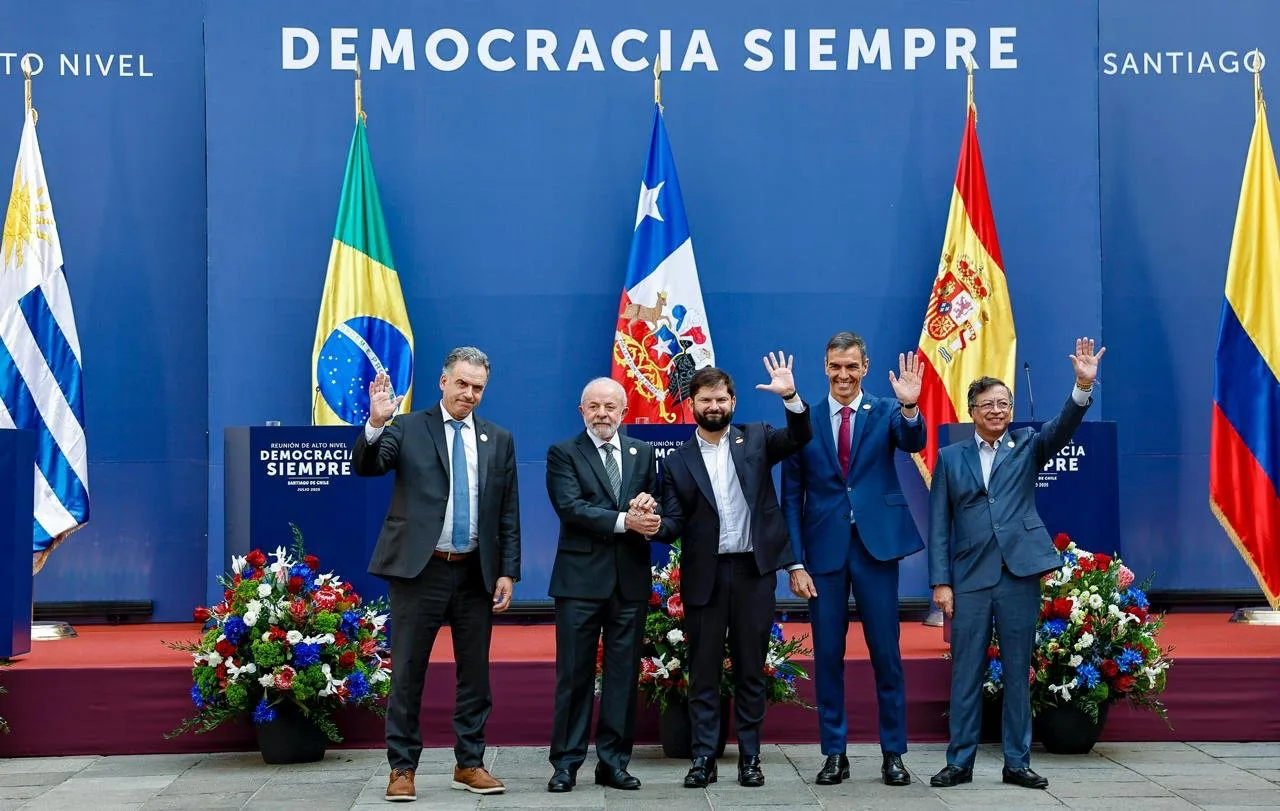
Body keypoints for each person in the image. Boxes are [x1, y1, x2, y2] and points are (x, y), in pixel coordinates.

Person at [928, 337, 1105, 791]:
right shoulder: (950, 459)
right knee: (965, 672)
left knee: (1016, 670)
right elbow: (939, 528)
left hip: (1017, 576)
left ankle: (1016, 761)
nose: (997, 410)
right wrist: (940, 584)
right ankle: (959, 762)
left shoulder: (1028, 445)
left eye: (1003, 403)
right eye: (987, 404)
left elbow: (1063, 425)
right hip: (968, 579)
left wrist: (1082, 386)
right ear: (972, 411)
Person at [351, 347, 520, 802]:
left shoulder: (498, 438)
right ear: (443, 382)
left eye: (478, 387)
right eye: (462, 383)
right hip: (418, 571)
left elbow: (507, 511)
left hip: (474, 573)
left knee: (475, 676)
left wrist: (508, 571)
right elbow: (369, 465)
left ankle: (469, 763)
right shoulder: (406, 427)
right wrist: (376, 422)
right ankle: (402, 768)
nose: (469, 393)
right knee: (407, 672)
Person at [656, 352, 812, 789]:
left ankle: (750, 758)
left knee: (749, 670)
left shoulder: (758, 438)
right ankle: (703, 757)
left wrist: (791, 397)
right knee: (702, 672)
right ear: (692, 404)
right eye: (706, 400)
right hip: (704, 577)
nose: (714, 407)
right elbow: (672, 521)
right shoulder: (676, 461)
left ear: (734, 400)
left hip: (753, 574)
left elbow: (800, 435)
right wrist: (651, 524)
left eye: (721, 399)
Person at [781, 332, 925, 787]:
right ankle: (834, 753)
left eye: (852, 367)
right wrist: (794, 563)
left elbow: (912, 441)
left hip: (875, 548)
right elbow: (790, 496)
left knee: (887, 653)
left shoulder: (885, 409)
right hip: (822, 553)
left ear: (865, 367)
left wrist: (909, 406)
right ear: (824, 367)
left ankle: (893, 754)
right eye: (835, 367)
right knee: (827, 656)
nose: (843, 375)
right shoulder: (803, 418)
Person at [544, 377, 662, 793]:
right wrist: (624, 521)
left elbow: (657, 499)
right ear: (581, 411)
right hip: (579, 584)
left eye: (610, 407)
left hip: (629, 583)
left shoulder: (642, 453)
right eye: (593, 406)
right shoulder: (563, 453)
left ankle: (613, 762)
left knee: (622, 677)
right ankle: (566, 764)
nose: (602, 414)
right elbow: (571, 508)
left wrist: (649, 508)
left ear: (624, 413)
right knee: (573, 676)